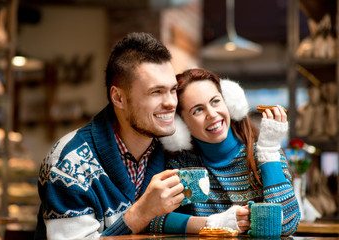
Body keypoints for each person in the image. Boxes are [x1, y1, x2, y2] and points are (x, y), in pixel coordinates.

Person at [34, 32, 199, 239]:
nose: (171, 103)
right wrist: (142, 212)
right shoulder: (69, 162)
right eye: (156, 92)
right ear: (118, 97)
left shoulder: (174, 154)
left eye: (172, 90)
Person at [160, 68, 301, 236]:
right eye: (198, 110)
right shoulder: (183, 164)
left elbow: (288, 224)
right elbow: (154, 220)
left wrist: (269, 153)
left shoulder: (265, 152)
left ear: (229, 103)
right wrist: (213, 223)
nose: (212, 114)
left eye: (215, 101)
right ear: (181, 125)